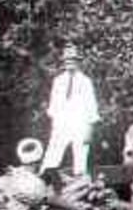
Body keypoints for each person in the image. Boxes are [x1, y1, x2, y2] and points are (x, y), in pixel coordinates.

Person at [41, 44, 100, 177]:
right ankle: (46, 182)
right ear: (63, 62)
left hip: (80, 124)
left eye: (73, 60)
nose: (69, 63)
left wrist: (89, 129)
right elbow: (53, 105)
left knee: (80, 161)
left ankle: (80, 187)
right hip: (62, 124)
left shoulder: (85, 82)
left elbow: (92, 106)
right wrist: (55, 124)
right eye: (67, 60)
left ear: (78, 62)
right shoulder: (58, 81)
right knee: (52, 157)